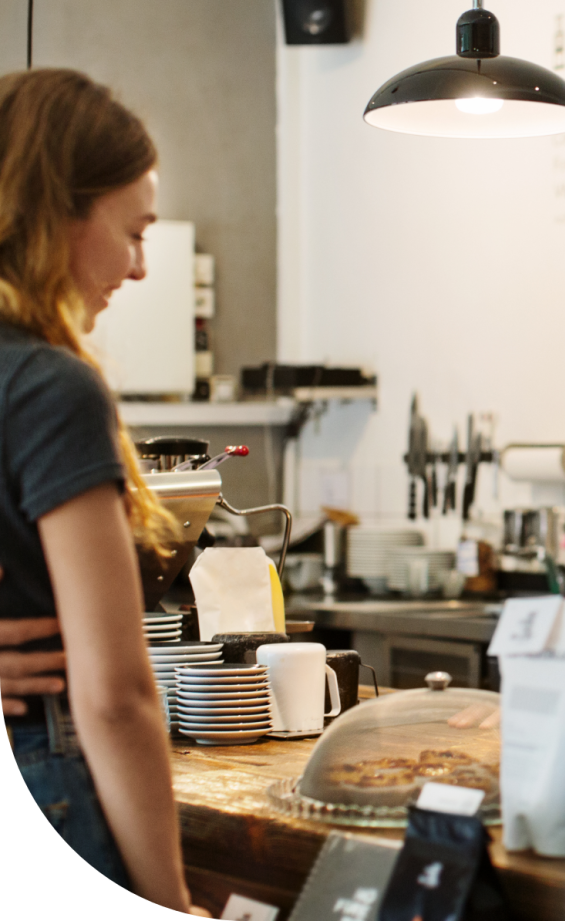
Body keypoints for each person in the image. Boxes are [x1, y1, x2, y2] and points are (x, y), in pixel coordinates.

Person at [0, 68, 207, 915]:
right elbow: (115, 692)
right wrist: (170, 897)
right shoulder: (50, 387)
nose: (142, 266)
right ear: (59, 215)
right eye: (134, 231)